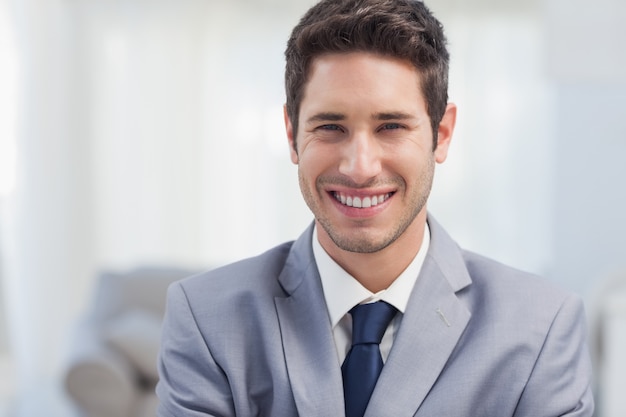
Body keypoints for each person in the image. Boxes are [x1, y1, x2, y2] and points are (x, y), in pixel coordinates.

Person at [156, 0, 594, 415]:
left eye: (390, 126)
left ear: (441, 134)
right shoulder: (205, 319)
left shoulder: (541, 328)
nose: (360, 168)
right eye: (330, 126)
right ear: (291, 133)